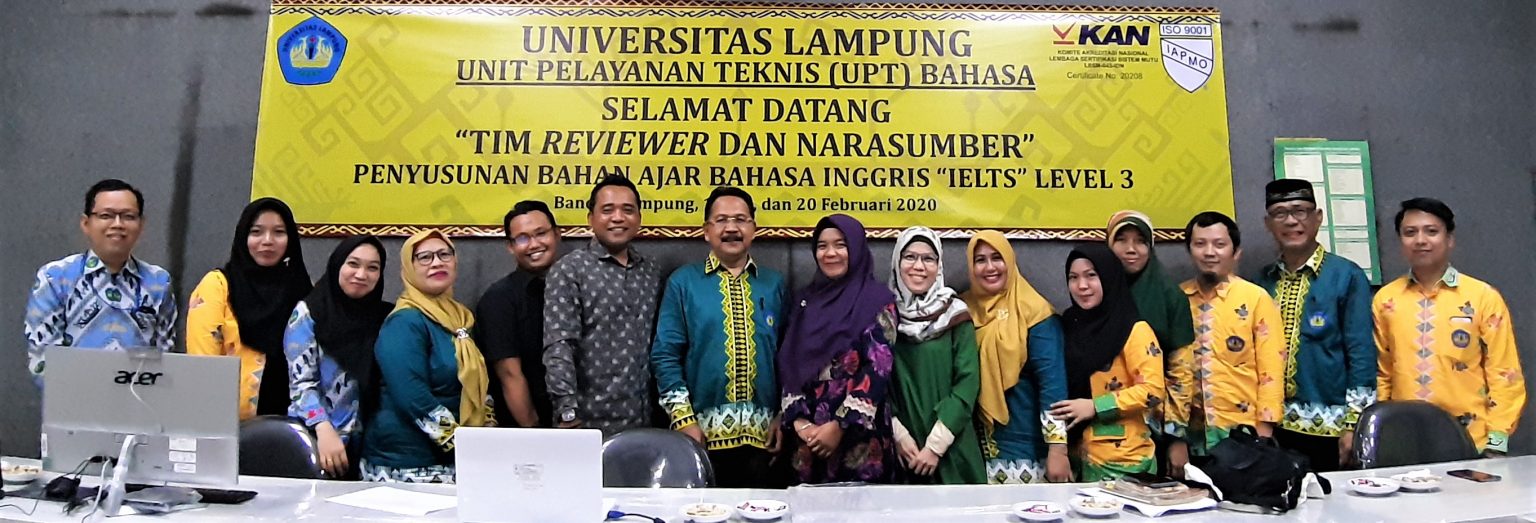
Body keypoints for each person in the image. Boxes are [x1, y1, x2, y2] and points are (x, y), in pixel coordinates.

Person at [651, 187, 787, 487]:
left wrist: (782, 416)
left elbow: (789, 356)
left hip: (765, 441)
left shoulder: (773, 283)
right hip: (700, 437)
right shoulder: (684, 282)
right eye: (721, 220)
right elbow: (665, 355)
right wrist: (684, 421)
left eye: (740, 219)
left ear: (753, 228)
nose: (731, 228)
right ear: (706, 231)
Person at [1374, 198, 1524, 456]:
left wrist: (1497, 442)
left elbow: (1504, 372)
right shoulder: (1386, 300)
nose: (1420, 240)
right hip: (1404, 441)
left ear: (1449, 239)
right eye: (1410, 232)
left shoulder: (1482, 297)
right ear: (1400, 241)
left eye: (1431, 231)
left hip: (1471, 440)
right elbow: (1383, 373)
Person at [1253, 180, 1376, 471]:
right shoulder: (1262, 282)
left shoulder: (1346, 276)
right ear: (1268, 223)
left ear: (1318, 217)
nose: (1291, 221)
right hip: (1273, 428)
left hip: (1331, 430)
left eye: (1300, 211)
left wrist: (1355, 425)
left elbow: (1361, 354)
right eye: (1280, 213)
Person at [362, 230, 493, 483]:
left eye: (445, 254)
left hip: (460, 457)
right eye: (424, 257)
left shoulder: (460, 319)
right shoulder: (404, 321)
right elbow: (410, 393)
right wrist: (460, 441)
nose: (437, 263)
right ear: (408, 268)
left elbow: (477, 381)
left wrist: (487, 429)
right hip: (409, 462)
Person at [777, 214, 899, 484]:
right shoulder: (804, 302)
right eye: (822, 246)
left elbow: (878, 369)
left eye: (840, 245)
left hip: (859, 439)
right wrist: (800, 422)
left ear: (856, 248)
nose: (830, 253)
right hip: (808, 440)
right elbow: (789, 363)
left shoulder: (877, 301)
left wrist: (840, 426)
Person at [25, 179, 177, 388]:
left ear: (141, 225)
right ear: (86, 223)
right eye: (106, 215)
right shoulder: (55, 277)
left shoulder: (158, 282)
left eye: (128, 216)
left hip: (139, 402)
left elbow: (164, 357)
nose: (117, 224)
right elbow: (42, 357)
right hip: (73, 402)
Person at [544, 175, 662, 436]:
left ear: (639, 218)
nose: (618, 217)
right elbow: (559, 345)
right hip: (586, 424)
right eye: (607, 210)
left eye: (627, 210)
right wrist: (566, 410)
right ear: (591, 218)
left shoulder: (650, 270)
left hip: (644, 422)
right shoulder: (569, 270)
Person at [1171, 212, 1284, 472]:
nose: (1209, 252)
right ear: (1189, 250)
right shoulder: (1177, 298)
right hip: (1191, 437)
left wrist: (1263, 436)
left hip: (1243, 435)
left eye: (1219, 244)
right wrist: (1175, 438)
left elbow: (1272, 371)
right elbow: (1170, 375)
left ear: (1236, 252)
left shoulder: (1256, 299)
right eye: (1200, 244)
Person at [962, 231, 1071, 484]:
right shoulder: (961, 310)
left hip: (1025, 453)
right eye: (980, 260)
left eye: (997, 257)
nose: (990, 267)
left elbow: (1052, 385)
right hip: (972, 451)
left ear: (1010, 261)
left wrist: (1058, 448)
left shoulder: (1035, 312)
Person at [1049, 245, 1166, 481]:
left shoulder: (1134, 329)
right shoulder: (1069, 324)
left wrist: (1096, 406)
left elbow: (1153, 391)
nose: (1082, 286)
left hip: (1125, 460)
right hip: (1078, 458)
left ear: (1108, 276)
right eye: (1073, 278)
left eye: (1091, 275)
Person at [188, 197, 311, 420]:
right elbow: (202, 367)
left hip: (292, 423)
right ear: (243, 236)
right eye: (256, 232)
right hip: (227, 424)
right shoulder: (218, 286)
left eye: (279, 232)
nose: (267, 241)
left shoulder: (301, 289)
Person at [285, 236, 391, 479]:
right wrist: (323, 428)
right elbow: (301, 385)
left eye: (372, 268)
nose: (361, 274)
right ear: (337, 265)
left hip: (370, 448)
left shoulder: (386, 317)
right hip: (319, 441)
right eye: (353, 264)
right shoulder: (309, 314)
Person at [887, 226, 985, 484]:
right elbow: (873, 382)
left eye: (928, 259)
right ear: (896, 262)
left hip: (951, 449)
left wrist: (935, 446)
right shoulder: (882, 316)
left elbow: (967, 384)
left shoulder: (955, 315)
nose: (919, 266)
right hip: (900, 452)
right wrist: (899, 435)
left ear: (939, 266)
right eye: (910, 257)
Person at [475, 201, 561, 428]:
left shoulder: (574, 287)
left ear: (557, 235)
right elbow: (510, 376)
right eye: (522, 238)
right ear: (510, 247)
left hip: (581, 423)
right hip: (528, 428)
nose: (534, 244)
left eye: (541, 233)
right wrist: (534, 432)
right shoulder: (499, 299)